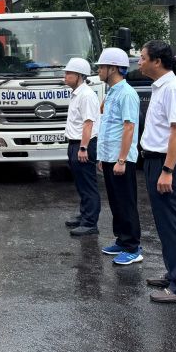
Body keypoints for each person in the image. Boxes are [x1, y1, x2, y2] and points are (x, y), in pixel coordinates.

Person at [138, 40, 176, 304]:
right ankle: (174, 274)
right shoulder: (161, 87)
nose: (139, 62)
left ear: (157, 62)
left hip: (165, 162)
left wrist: (168, 170)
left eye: (142, 57)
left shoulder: (172, 89)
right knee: (164, 223)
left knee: (173, 224)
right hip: (155, 161)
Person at [95, 48, 143, 265]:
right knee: (115, 201)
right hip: (109, 156)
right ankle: (122, 240)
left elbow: (129, 128)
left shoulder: (126, 93)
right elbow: (107, 126)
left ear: (113, 68)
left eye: (101, 67)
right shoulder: (112, 91)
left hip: (121, 158)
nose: (98, 70)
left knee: (126, 201)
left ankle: (133, 247)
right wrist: (102, 157)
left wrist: (122, 159)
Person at [62, 58, 101, 237]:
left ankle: (90, 223)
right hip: (75, 143)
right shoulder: (77, 93)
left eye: (69, 73)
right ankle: (84, 215)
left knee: (88, 184)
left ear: (79, 75)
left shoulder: (86, 95)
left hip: (83, 144)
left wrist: (83, 148)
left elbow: (88, 123)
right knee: (80, 183)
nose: (65, 76)